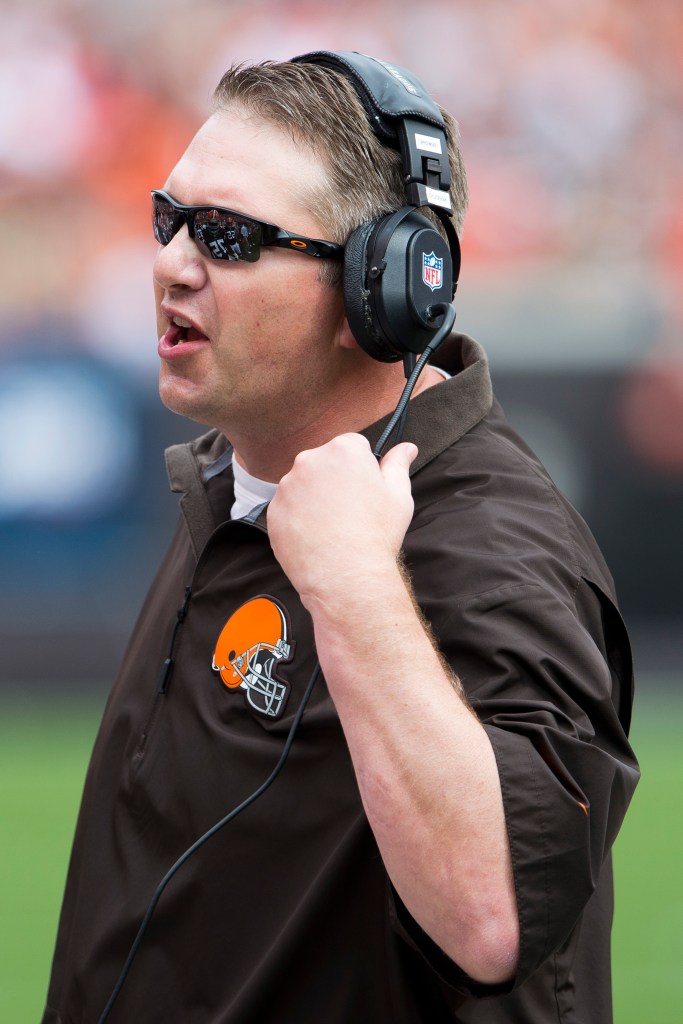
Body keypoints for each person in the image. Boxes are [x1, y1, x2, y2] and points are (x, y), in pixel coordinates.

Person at [42, 52, 639, 1024]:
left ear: (385, 287)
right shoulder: (237, 477)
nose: (171, 261)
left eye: (228, 235)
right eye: (170, 218)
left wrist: (358, 585)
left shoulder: (491, 545)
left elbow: (492, 917)